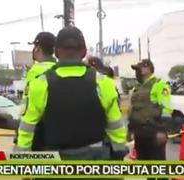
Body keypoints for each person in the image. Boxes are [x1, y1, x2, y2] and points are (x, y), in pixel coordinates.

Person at [15, 26, 127, 166]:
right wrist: (119, 153)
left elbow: (27, 128)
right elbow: (116, 126)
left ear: (56, 51)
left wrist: (23, 157)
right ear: (84, 52)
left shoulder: (40, 84)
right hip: (96, 161)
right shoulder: (104, 83)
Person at [129, 59, 172, 180]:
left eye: (139, 69)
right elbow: (134, 110)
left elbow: (167, 109)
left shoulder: (159, 85)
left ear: (148, 69)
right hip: (140, 133)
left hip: (154, 132)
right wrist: (130, 130)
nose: (137, 72)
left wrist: (162, 131)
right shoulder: (137, 88)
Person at [13, 32, 57, 145]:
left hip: (39, 131)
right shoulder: (59, 68)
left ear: (37, 48)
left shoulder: (35, 71)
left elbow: (27, 107)